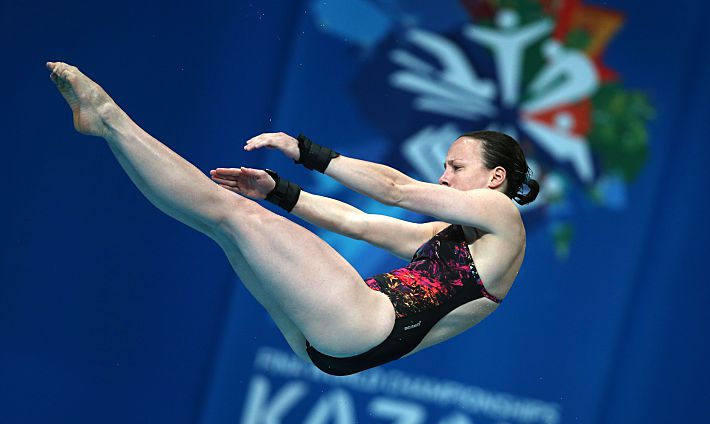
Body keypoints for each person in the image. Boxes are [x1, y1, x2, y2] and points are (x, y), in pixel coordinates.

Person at [47, 61, 539, 376]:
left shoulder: (502, 215)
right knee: (220, 222)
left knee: (230, 213)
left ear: (496, 177)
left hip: (363, 323)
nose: (444, 177)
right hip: (337, 344)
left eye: (456, 168)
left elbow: (396, 189)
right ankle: (107, 126)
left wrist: (307, 152)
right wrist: (280, 192)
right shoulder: (451, 238)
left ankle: (108, 117)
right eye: (445, 167)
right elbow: (358, 223)